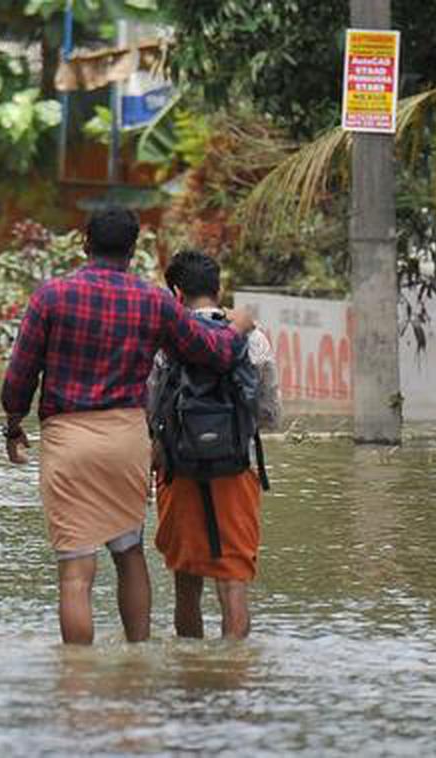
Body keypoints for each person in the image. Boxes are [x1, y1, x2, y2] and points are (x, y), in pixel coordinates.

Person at [0, 207, 254, 645]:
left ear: (85, 243)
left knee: (76, 574)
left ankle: (77, 674)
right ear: (133, 249)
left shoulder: (51, 296)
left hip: (68, 438)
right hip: (127, 439)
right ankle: (138, 657)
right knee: (129, 552)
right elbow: (209, 351)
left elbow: (20, 375)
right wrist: (239, 328)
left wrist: (13, 423)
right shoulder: (153, 300)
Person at [149, 250, 281, 640]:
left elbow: (151, 407)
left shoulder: (166, 340)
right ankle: (232, 676)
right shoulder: (253, 337)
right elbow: (269, 412)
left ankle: (191, 676)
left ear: (176, 292)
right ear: (218, 287)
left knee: (186, 585)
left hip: (178, 471)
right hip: (235, 468)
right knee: (233, 581)